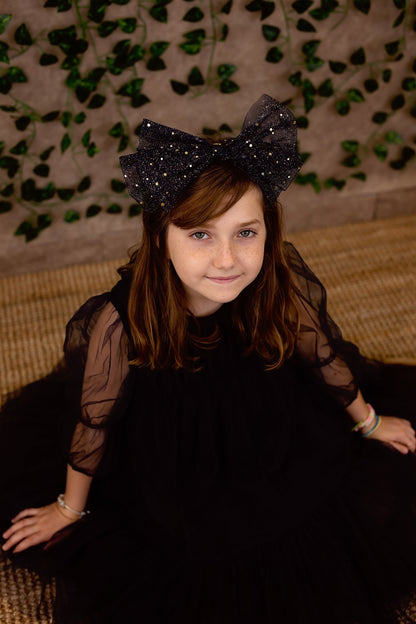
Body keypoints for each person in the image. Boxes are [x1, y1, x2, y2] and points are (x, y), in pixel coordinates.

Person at [2, 94, 416, 624]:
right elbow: (95, 421)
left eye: (246, 233)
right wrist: (69, 507)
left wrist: (369, 420)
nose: (227, 259)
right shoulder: (120, 321)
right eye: (200, 234)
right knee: (185, 553)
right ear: (161, 239)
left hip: (266, 414)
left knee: (342, 501)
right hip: (170, 441)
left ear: (268, 232)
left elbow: (320, 354)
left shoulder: (274, 284)